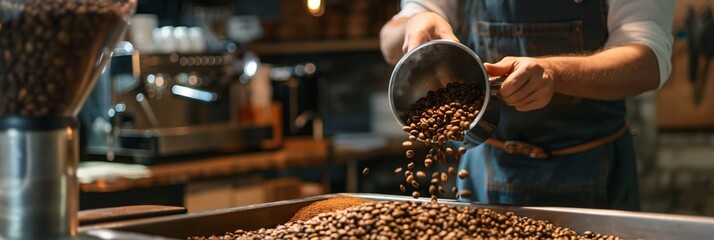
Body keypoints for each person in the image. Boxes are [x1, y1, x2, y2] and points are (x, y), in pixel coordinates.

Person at [380, 0, 674, 211]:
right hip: (482, 170)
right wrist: (416, 21)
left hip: (590, 171)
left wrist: (555, 74)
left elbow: (649, 61)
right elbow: (388, 39)